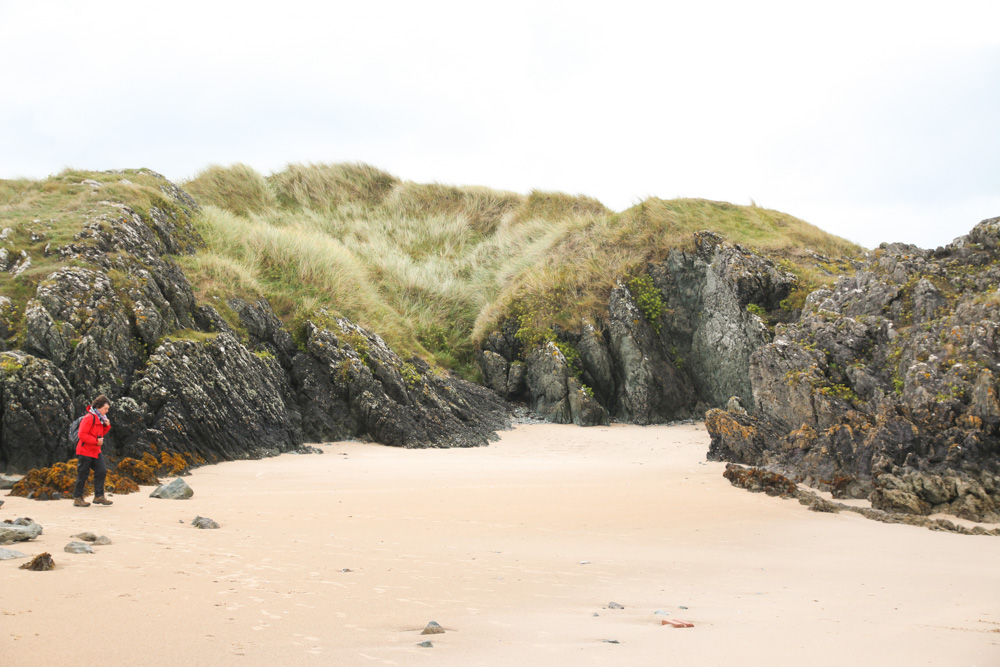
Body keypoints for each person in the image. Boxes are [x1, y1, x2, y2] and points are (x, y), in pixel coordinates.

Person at [73, 395, 113, 507]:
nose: (107, 410)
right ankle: (77, 498)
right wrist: (96, 441)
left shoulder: (100, 418)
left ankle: (99, 496)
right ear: (98, 407)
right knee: (83, 474)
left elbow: (100, 434)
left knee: (102, 471)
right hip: (85, 450)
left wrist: (107, 426)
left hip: (95, 450)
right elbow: (81, 434)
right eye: (105, 408)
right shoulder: (89, 417)